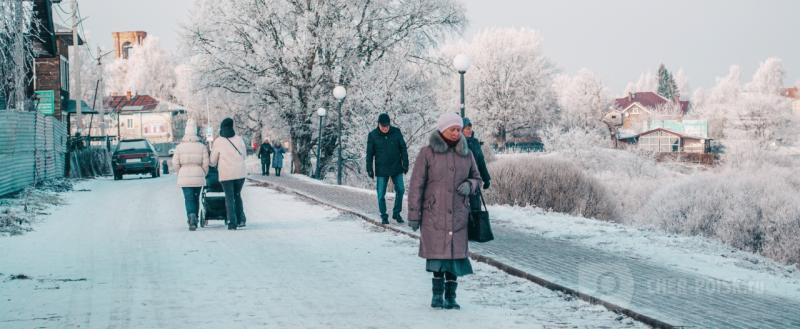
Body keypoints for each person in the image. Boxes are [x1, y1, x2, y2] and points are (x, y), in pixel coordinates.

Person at [407, 112, 482, 310]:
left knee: (455, 258)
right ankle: (437, 296)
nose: (457, 133)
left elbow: (478, 178)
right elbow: (416, 185)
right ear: (442, 130)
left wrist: (470, 184)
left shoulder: (467, 154)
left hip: (458, 215)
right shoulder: (427, 153)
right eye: (453, 129)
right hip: (434, 214)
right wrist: (414, 214)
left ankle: (451, 298)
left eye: (459, 129)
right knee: (438, 257)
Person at [365, 113, 409, 225]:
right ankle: (384, 215)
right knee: (381, 194)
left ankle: (396, 213)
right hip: (381, 169)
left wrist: (405, 163)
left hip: (396, 167)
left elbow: (403, 148)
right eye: (383, 126)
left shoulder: (396, 132)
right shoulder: (373, 135)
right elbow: (369, 154)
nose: (385, 128)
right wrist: (369, 168)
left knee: (401, 190)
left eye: (387, 126)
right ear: (378, 124)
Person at [210, 118, 248, 230]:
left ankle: (232, 222)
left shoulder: (218, 141)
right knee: (237, 195)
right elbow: (244, 156)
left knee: (229, 197)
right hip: (240, 173)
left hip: (226, 174)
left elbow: (213, 161)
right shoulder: (239, 139)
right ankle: (241, 219)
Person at [172, 119, 209, 231]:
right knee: (196, 198)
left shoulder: (179, 147)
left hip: (184, 176)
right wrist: (203, 173)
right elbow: (206, 163)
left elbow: (175, 163)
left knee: (188, 198)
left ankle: (191, 216)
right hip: (198, 175)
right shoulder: (201, 146)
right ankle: (195, 217)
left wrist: (180, 172)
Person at [462, 117, 491, 212]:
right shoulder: (457, 143)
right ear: (461, 130)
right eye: (467, 129)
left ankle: (477, 226)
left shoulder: (475, 143)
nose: (470, 131)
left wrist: (486, 179)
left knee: (476, 209)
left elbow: (481, 162)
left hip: (474, 181)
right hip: (461, 182)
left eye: (470, 128)